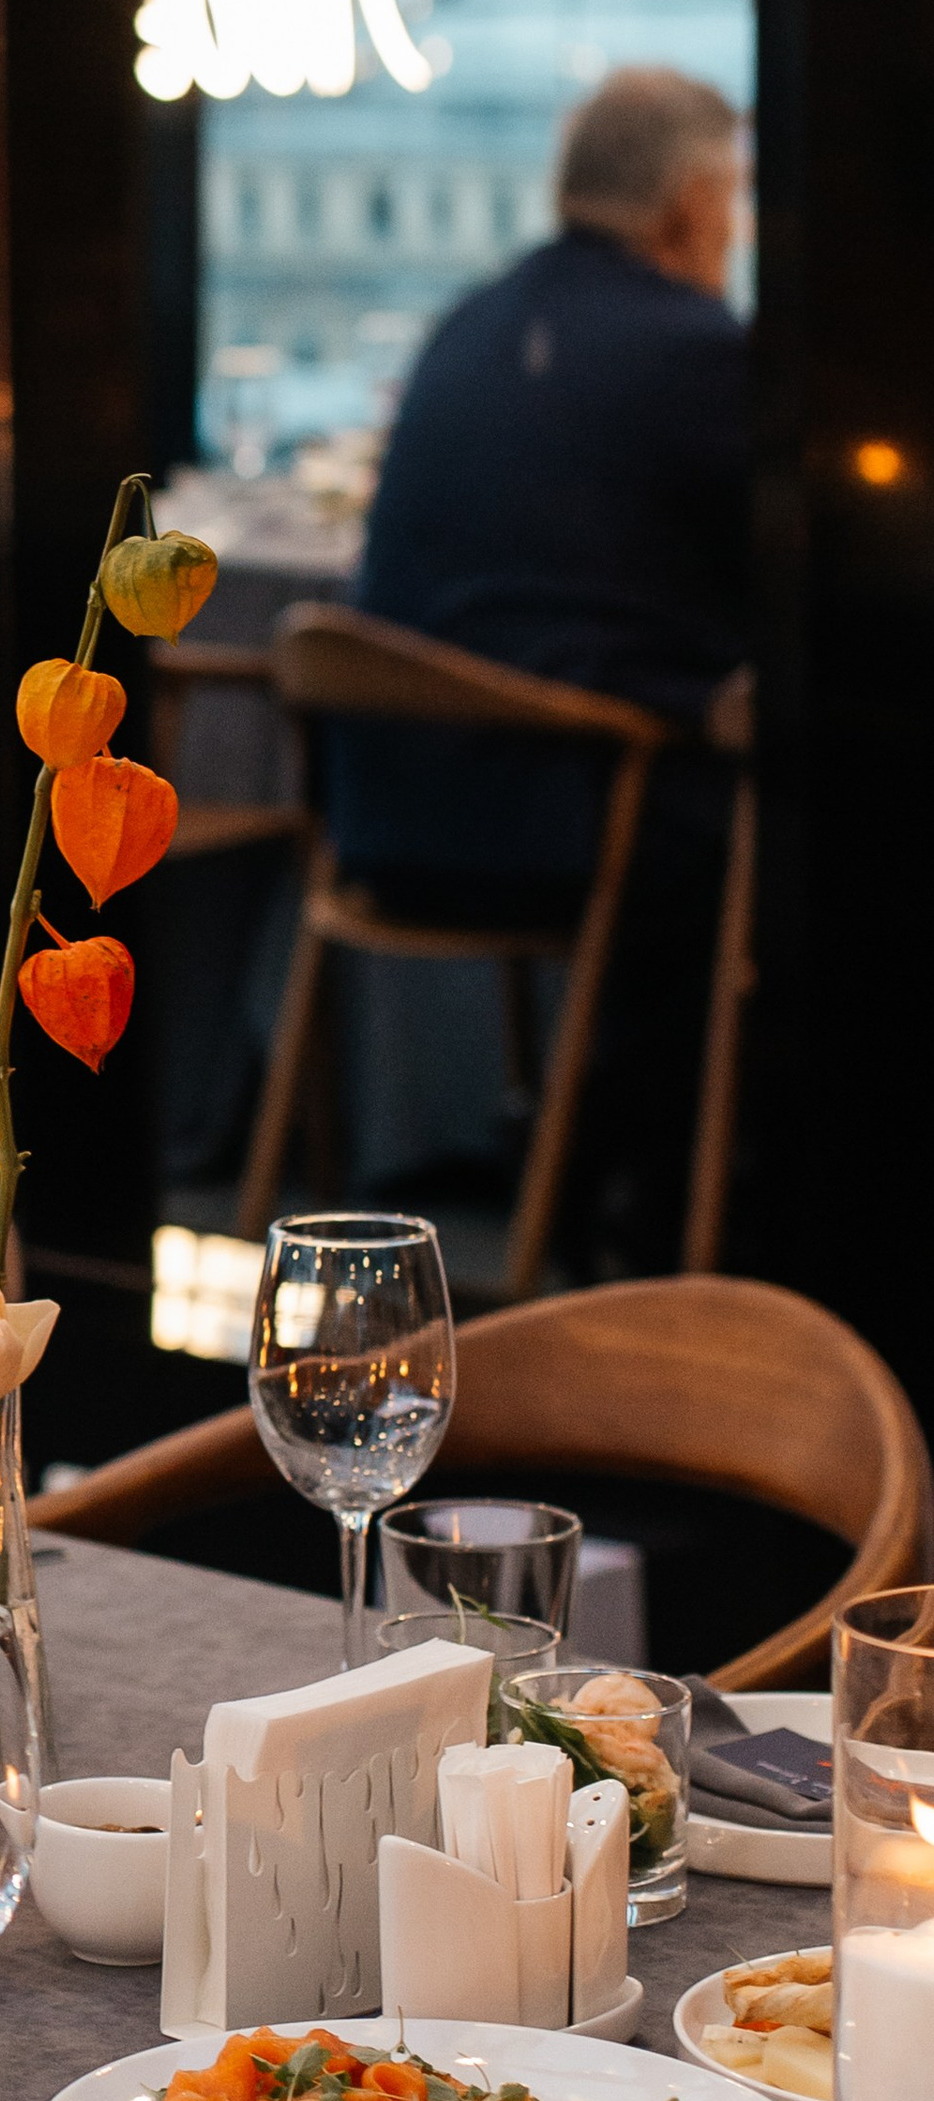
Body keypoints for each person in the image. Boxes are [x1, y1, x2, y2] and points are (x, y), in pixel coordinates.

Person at [328, 64, 750, 1271]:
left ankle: (571, 1173)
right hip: (564, 824)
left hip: (381, 814)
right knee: (770, 845)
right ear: (689, 203)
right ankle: (675, 1229)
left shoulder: (467, 322)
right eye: (734, 199)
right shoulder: (699, 352)